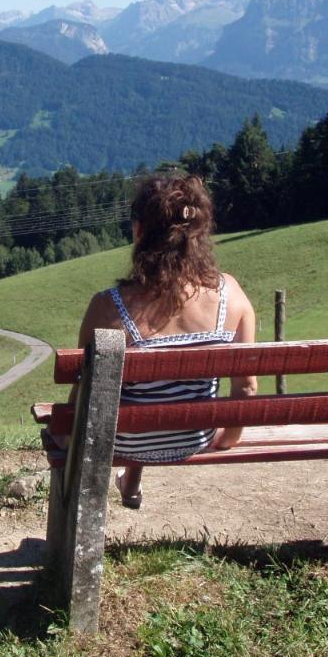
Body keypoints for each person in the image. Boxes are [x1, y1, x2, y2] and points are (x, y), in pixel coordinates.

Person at [75, 171, 258, 509]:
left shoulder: (108, 307)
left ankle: (129, 477)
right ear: (200, 232)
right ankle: (132, 480)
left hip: (124, 443)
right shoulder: (231, 294)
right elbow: (246, 387)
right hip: (194, 438)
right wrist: (226, 439)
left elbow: (82, 394)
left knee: (136, 397)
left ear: (140, 230)